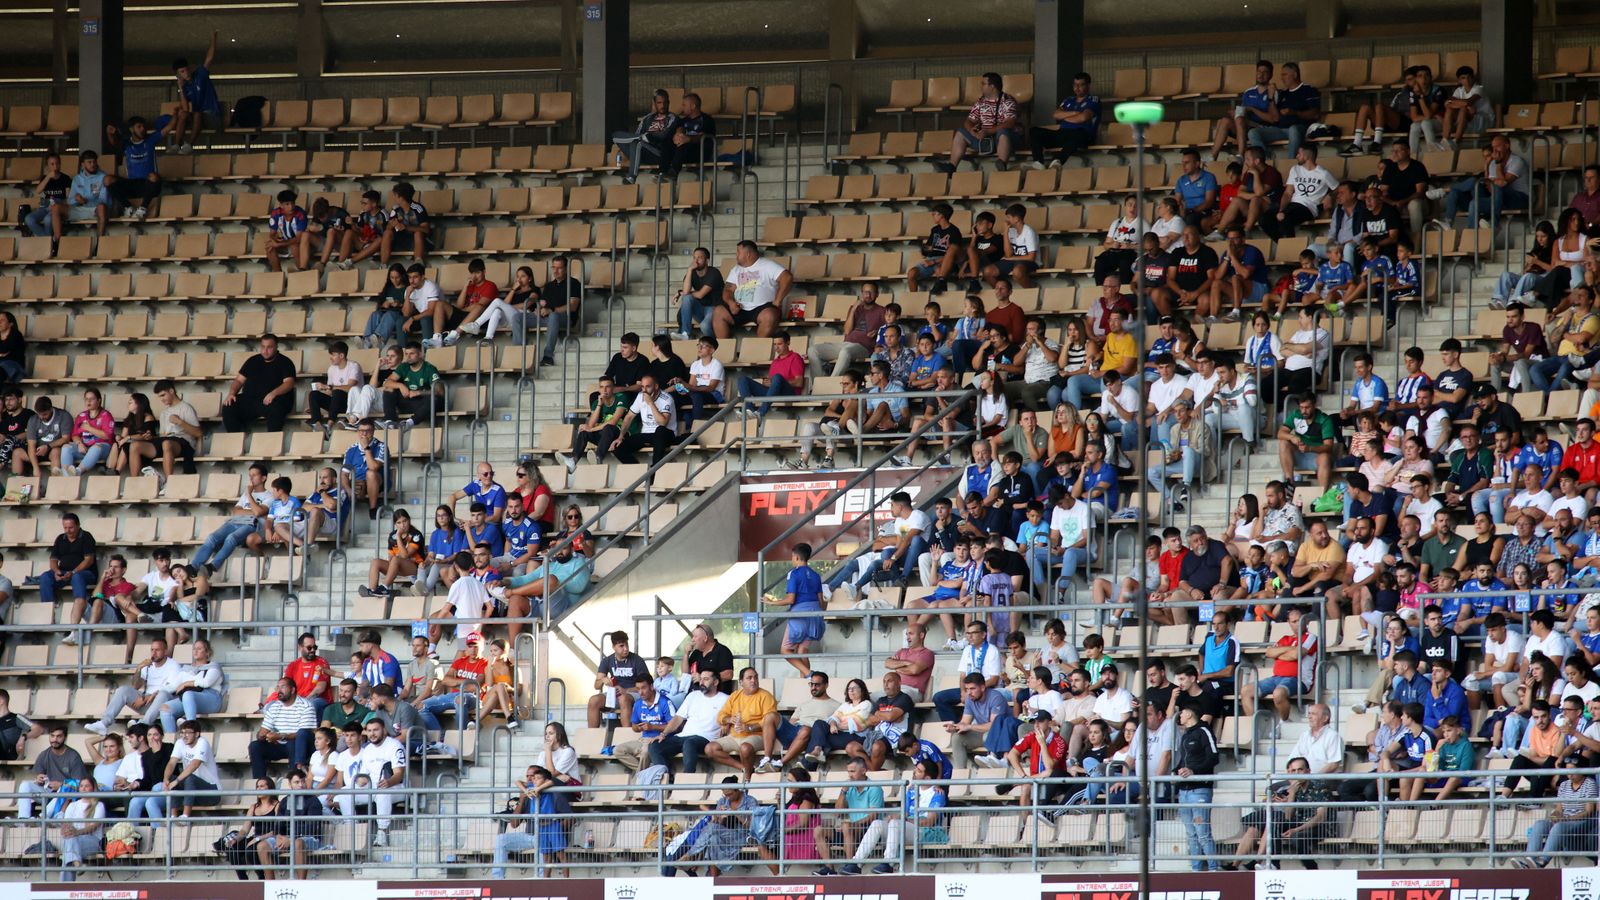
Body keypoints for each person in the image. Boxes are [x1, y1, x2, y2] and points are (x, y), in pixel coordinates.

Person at [846, 758, 948, 875]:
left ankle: (889, 863)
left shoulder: (937, 794)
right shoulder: (911, 790)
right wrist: (894, 816)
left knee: (896, 824)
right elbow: (904, 813)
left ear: (927, 778)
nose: (914, 772)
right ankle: (856, 863)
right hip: (907, 828)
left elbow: (929, 822)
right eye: (915, 768)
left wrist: (902, 819)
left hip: (925, 832)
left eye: (919, 771)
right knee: (878, 823)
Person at [86, 636, 183, 734]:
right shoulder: (148, 665)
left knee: (163, 694)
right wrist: (139, 668)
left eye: (157, 650)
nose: (153, 653)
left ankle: (142, 726)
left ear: (165, 651)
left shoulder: (173, 665)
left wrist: (148, 697)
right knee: (122, 690)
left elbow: (170, 688)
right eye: (152, 650)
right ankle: (104, 723)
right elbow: (135, 686)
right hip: (147, 703)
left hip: (164, 704)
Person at [647, 669, 728, 774]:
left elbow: (732, 717)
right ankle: (666, 777)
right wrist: (663, 734)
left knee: (690, 743)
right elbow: (677, 718)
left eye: (706, 679)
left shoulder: (726, 699)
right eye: (701, 679)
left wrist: (726, 724)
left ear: (716, 682)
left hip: (706, 738)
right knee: (655, 745)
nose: (702, 682)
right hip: (683, 736)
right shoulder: (693, 696)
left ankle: (687, 779)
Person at [938, 72, 1021, 173]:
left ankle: (1002, 164)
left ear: (992, 86)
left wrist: (988, 131)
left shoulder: (1008, 100)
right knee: (960, 132)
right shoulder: (981, 101)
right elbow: (969, 121)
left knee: (1003, 132)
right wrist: (972, 131)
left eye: (983, 84)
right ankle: (951, 167)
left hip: (1004, 140)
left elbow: (1009, 123)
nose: (980, 86)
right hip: (985, 140)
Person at [1173, 705, 1220, 872]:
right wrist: (1174, 773)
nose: (1179, 715)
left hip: (1200, 789)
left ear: (1190, 713)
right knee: (1191, 834)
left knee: (1202, 833)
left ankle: (1214, 869)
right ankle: (1196, 870)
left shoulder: (1204, 731)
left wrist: (1194, 771)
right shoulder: (1186, 734)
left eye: (1183, 712)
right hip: (1184, 791)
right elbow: (1183, 760)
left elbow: (1214, 757)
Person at [714, 240, 790, 339]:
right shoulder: (736, 269)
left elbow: (787, 277)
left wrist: (778, 300)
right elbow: (727, 290)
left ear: (748, 254)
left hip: (762, 308)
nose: (736, 255)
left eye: (738, 252)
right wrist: (730, 302)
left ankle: (758, 348)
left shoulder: (767, 265)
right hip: (740, 308)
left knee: (770, 316)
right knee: (718, 311)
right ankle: (724, 349)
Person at [221, 334, 296, 433]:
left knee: (276, 409)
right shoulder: (253, 361)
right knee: (229, 406)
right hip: (251, 399)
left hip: (272, 401)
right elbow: (238, 380)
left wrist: (273, 393)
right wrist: (231, 393)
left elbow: (289, 383)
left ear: (276, 347)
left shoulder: (285, 362)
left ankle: (272, 441)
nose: (265, 350)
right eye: (263, 347)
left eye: (269, 347)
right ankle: (235, 441)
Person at [1263, 145, 1339, 240]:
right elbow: (1288, 193)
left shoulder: (1323, 173)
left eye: (1299, 153)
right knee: (1264, 218)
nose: (1296, 156)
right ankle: (1283, 243)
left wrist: (1329, 195)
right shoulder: (1295, 169)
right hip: (1292, 204)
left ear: (1307, 156)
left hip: (1309, 208)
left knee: (1285, 218)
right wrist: (1281, 210)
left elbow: (1338, 188)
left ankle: (1288, 247)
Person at [248, 678, 319, 780]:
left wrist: (281, 736)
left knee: (294, 741)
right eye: (277, 687)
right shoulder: (274, 707)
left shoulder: (306, 706)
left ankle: (295, 776)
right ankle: (261, 783)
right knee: (255, 746)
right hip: (280, 745)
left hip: (301, 746)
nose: (279, 690)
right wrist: (263, 736)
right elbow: (263, 730)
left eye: (283, 687)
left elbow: (304, 734)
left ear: (293, 690)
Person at [1030, 71, 1099, 167]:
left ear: (1088, 85)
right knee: (1035, 131)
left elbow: (1083, 117)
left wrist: (1065, 117)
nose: (1077, 88)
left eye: (1081, 85)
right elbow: (1056, 115)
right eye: (1075, 85)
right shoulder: (1068, 100)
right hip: (1063, 132)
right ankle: (1038, 163)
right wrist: (1075, 113)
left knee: (1078, 134)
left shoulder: (1093, 100)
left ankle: (1057, 161)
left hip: (1082, 134)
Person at [589, 630, 649, 740]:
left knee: (623, 698)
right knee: (593, 700)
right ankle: (593, 740)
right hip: (613, 694)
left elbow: (647, 685)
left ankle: (627, 738)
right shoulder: (607, 661)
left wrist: (626, 690)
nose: (625, 648)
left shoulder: (637, 660)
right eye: (621, 646)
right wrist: (602, 680)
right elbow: (596, 686)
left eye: (626, 645)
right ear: (614, 647)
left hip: (634, 693)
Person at [102, 115, 165, 218]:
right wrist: (109, 133)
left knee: (154, 177)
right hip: (131, 184)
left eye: (143, 127)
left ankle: (143, 208)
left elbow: (167, 130)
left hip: (148, 185)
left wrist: (176, 116)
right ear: (131, 129)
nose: (143, 129)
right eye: (139, 127)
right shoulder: (126, 144)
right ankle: (127, 207)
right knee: (107, 179)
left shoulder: (150, 140)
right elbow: (114, 142)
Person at [614, 88, 679, 185]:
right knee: (615, 136)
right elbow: (636, 134)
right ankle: (641, 142)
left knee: (637, 143)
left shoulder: (672, 117)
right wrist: (643, 137)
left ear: (669, 103)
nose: (662, 106)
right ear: (654, 103)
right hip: (642, 150)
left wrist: (650, 137)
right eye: (659, 103)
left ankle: (631, 177)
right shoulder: (647, 118)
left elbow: (665, 135)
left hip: (658, 153)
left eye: (665, 103)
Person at [735, 331, 806, 419]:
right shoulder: (775, 362)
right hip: (774, 394)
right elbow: (773, 384)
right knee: (742, 380)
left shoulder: (795, 357)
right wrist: (768, 383)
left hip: (789, 394)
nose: (776, 348)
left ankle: (760, 413)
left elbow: (799, 382)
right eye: (774, 344)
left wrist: (777, 382)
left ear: (788, 343)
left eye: (779, 344)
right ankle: (749, 410)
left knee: (777, 378)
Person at [379, 341, 443, 429]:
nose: (408, 357)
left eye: (412, 354)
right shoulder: (403, 367)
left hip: (424, 403)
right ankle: (390, 422)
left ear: (420, 354)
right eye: (406, 354)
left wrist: (419, 392)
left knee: (435, 399)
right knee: (389, 389)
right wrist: (401, 386)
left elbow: (440, 391)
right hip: (408, 401)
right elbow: (387, 382)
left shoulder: (429, 368)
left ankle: (409, 423)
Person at [23, 152, 71, 243]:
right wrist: (48, 177)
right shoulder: (45, 178)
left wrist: (57, 205)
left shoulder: (66, 178)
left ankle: (48, 244)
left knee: (48, 220)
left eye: (57, 163)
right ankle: (48, 241)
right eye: (52, 164)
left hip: (58, 206)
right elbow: (38, 191)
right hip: (45, 205)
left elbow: (68, 197)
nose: (55, 166)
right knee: (29, 219)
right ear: (48, 166)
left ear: (60, 164)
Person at [64, 149, 109, 237]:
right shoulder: (77, 179)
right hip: (80, 209)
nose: (93, 164)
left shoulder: (103, 177)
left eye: (94, 162)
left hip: (96, 210)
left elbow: (104, 200)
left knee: (102, 207)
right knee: (56, 208)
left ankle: (100, 241)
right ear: (82, 164)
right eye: (89, 162)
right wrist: (76, 199)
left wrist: (86, 201)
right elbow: (70, 201)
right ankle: (56, 242)